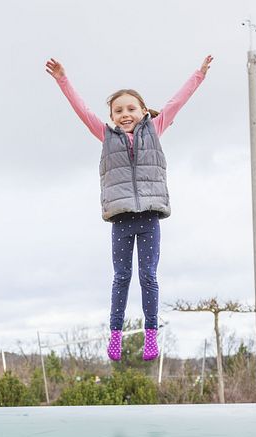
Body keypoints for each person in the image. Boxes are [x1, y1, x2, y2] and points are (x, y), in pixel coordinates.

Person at [45, 55, 213, 361]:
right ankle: (115, 336)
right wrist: (62, 80)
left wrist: (198, 75)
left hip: (149, 216)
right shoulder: (105, 135)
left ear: (144, 111)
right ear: (111, 116)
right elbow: (81, 109)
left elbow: (178, 101)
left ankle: (151, 337)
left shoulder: (156, 129)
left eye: (131, 109)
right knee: (121, 277)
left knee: (148, 276)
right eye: (118, 110)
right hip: (121, 219)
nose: (125, 114)